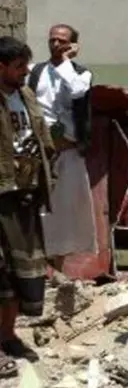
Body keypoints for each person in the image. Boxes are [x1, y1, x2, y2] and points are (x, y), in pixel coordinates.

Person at [0, 37, 56, 376]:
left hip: (26, 195)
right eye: (19, 67)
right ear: (1, 67)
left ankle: (8, 335)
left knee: (20, 273)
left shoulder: (27, 96)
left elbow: (42, 138)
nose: (24, 73)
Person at [27, 24, 96, 278]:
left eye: (62, 41)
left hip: (69, 152)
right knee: (42, 211)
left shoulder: (81, 73)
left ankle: (60, 269)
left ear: (72, 45)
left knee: (68, 212)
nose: (55, 45)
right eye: (52, 40)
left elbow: (78, 92)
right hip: (40, 153)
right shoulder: (34, 72)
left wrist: (66, 62)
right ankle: (44, 270)